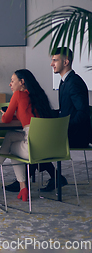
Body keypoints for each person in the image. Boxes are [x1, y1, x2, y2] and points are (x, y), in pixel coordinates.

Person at [0, 69, 53, 201]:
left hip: (32, 146)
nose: (9, 84)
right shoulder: (39, 96)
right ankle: (22, 187)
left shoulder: (18, 95)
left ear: (22, 82)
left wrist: (6, 113)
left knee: (11, 148)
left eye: (12, 81)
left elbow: (6, 120)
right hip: (49, 146)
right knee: (11, 136)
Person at [37, 47, 92, 192]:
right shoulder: (64, 82)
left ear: (66, 62)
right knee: (36, 138)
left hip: (76, 135)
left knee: (36, 141)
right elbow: (64, 111)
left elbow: (83, 113)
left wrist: (64, 127)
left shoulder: (73, 83)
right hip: (68, 132)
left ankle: (26, 181)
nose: (51, 64)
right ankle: (52, 177)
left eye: (55, 60)